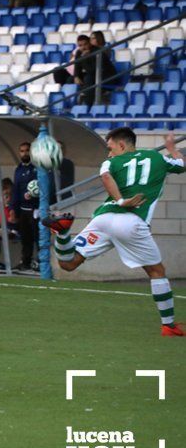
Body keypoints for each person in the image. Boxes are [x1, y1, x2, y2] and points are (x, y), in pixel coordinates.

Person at [44, 130, 185, 337]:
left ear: (121, 145)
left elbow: (106, 176)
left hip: (103, 219)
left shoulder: (111, 163)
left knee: (68, 263)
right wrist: (172, 149)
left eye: (110, 148)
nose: (108, 153)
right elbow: (182, 165)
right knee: (156, 271)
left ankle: (63, 232)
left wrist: (118, 200)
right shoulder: (157, 157)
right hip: (131, 222)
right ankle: (168, 326)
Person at [10, 141, 38, 271]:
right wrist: (12, 209)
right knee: (25, 238)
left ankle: (41, 263)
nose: (24, 153)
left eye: (27, 150)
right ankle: (25, 262)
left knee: (38, 237)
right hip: (22, 210)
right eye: (22, 151)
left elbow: (42, 187)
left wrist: (33, 194)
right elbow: (15, 190)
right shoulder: (19, 169)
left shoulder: (37, 168)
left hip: (35, 209)